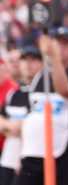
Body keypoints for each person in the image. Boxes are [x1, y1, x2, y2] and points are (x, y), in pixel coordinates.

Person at [18, 27, 68, 185]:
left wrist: (55, 58)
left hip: (66, 150)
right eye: (58, 43)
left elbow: (63, 90)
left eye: (66, 43)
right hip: (35, 151)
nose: (61, 47)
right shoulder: (39, 77)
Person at [0, 47, 43, 185]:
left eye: (34, 60)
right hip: (8, 158)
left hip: (29, 159)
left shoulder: (43, 94)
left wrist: (11, 127)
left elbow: (32, 126)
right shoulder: (14, 93)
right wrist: (12, 127)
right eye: (24, 60)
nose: (28, 64)